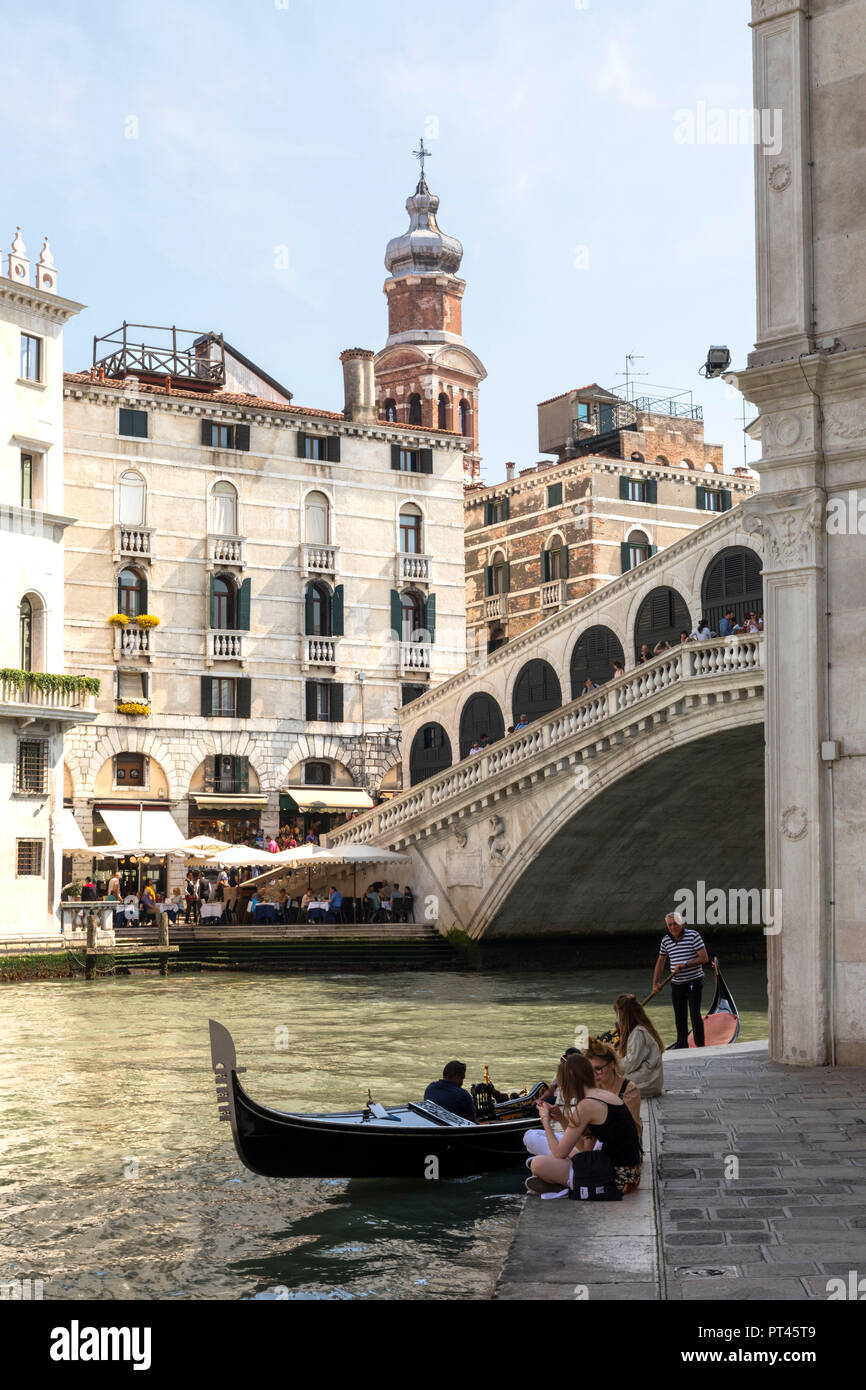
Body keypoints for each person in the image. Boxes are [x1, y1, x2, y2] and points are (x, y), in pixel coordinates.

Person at [527, 1052, 642, 1198]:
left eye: (562, 1082)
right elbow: (583, 1148)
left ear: (571, 1078)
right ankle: (561, 1181)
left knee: (537, 1164)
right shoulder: (603, 1094)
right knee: (566, 1154)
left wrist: (545, 1120)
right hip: (632, 1174)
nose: (561, 1087)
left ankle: (563, 1183)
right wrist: (562, 1119)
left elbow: (558, 1154)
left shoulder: (586, 1105)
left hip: (616, 1178)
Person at [652, 911, 709, 1048]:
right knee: (679, 1017)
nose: (673, 927)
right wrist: (655, 983)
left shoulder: (693, 936)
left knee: (695, 1015)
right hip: (676, 984)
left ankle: (700, 1046)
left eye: (675, 924)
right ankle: (682, 1045)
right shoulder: (666, 940)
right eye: (670, 925)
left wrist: (685, 965)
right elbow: (661, 961)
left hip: (693, 982)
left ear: (681, 923)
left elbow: (704, 958)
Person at [584, 1038, 642, 1142]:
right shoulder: (594, 1087)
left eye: (598, 1069)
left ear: (612, 1065)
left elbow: (629, 1132)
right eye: (590, 1069)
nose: (594, 1074)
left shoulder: (629, 1090)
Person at [613, 994, 664, 1097]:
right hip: (650, 1079)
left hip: (647, 1082)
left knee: (608, 1079)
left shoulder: (638, 1033)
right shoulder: (640, 1029)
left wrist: (613, 1063)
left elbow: (630, 1064)